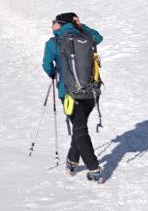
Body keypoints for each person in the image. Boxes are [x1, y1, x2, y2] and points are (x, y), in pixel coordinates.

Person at [42, 12, 104, 182]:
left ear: (61, 24)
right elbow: (99, 37)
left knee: (80, 128)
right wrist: (80, 25)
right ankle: (72, 161)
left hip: (68, 92)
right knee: (80, 125)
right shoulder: (87, 37)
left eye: (55, 21)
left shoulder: (53, 43)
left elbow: (47, 66)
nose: (52, 24)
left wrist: (54, 73)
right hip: (91, 92)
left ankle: (94, 169)